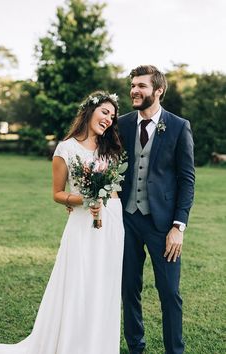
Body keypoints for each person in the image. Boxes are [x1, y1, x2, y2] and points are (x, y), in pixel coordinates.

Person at [0, 91, 125, 354]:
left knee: (104, 285)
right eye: (104, 112)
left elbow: (115, 191)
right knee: (78, 281)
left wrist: (106, 205)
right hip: (81, 224)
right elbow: (57, 194)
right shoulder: (66, 148)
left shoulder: (111, 149)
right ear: (89, 111)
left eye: (112, 116)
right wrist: (84, 199)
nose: (109, 119)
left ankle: (99, 345)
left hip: (111, 221)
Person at [118, 65, 195, 354]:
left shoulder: (178, 126)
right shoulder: (122, 123)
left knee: (169, 293)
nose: (134, 90)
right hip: (126, 220)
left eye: (141, 86)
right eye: (133, 85)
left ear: (158, 91)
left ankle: (174, 351)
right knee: (129, 289)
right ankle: (135, 347)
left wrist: (178, 226)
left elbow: (187, 180)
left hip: (163, 225)